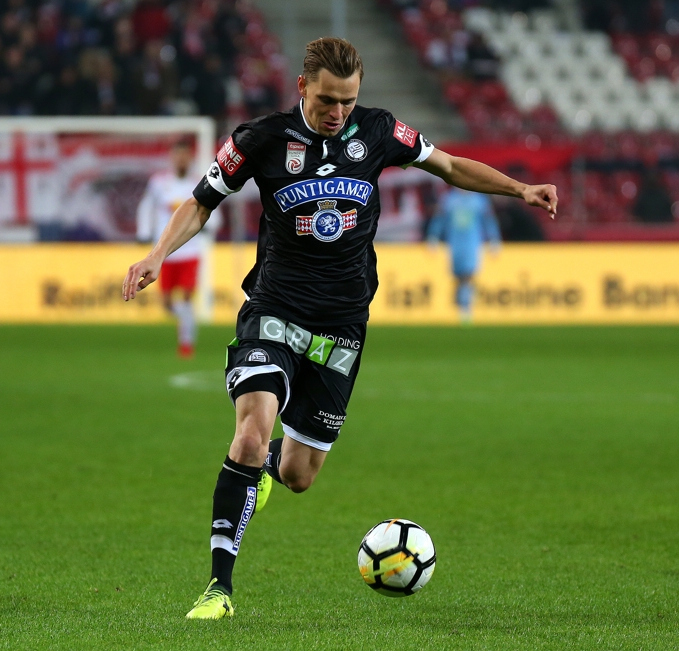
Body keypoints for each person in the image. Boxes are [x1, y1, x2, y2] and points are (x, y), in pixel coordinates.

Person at [121, 37, 557, 619]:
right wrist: (158, 254)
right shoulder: (262, 139)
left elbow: (449, 167)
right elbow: (201, 202)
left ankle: (267, 470)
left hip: (343, 327)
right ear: (303, 87)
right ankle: (218, 588)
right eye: (328, 100)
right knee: (250, 432)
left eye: (348, 101)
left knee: (298, 473)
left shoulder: (379, 131)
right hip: (274, 309)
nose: (339, 113)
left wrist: (520, 189)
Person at [135, 138, 215, 358]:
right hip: (166, 253)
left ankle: (186, 343)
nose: (181, 159)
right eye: (177, 155)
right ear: (172, 158)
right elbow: (146, 207)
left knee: (188, 297)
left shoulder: (200, 182)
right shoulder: (159, 183)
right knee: (168, 304)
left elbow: (213, 206)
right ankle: (186, 320)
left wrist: (212, 227)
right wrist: (143, 232)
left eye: (185, 155)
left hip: (191, 250)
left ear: (190, 158)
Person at [426, 188, 501, 322]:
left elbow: (488, 220)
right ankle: (460, 304)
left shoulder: (479, 200)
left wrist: (494, 239)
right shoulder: (449, 199)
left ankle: (465, 307)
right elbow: (439, 219)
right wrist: (433, 237)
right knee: (458, 276)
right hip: (454, 244)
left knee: (468, 274)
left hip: (472, 243)